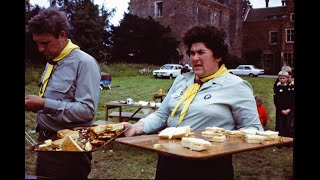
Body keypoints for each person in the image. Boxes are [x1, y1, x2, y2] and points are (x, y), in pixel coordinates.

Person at [122, 25, 263, 180]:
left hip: (209, 167)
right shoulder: (182, 80)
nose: (195, 58)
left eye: (201, 52)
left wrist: (221, 141)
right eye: (192, 53)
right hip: (168, 162)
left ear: (218, 56)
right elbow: (162, 115)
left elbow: (253, 129)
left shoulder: (236, 86)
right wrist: (135, 128)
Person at [25, 7, 101, 180]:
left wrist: (43, 104)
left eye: (45, 43)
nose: (40, 49)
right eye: (37, 43)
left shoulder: (85, 63)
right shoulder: (52, 61)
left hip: (70, 150)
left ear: (62, 35)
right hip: (45, 143)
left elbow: (87, 111)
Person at [273, 70, 292, 138]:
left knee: (287, 126)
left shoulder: (290, 88)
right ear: (278, 78)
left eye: (284, 78)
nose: (282, 79)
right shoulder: (277, 88)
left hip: (288, 110)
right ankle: (279, 142)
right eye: (280, 78)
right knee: (280, 126)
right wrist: (281, 110)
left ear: (287, 78)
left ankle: (287, 141)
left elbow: (292, 100)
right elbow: (276, 100)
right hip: (280, 110)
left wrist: (289, 109)